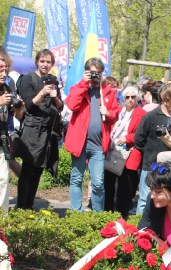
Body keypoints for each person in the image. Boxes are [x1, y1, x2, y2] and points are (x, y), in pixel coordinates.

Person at [64, 57, 119, 212]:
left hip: (98, 145)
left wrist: (108, 113)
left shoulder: (108, 92)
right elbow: (72, 105)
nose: (96, 76)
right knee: (76, 179)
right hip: (80, 144)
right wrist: (83, 84)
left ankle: (98, 214)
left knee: (98, 182)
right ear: (87, 72)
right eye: (93, 73)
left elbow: (115, 115)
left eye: (99, 73)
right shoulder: (78, 88)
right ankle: (76, 213)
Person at [17, 49, 63, 210]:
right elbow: (29, 105)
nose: (45, 64)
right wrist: (43, 92)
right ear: (37, 62)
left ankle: (29, 206)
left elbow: (60, 106)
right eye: (42, 61)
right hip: (32, 130)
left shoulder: (54, 81)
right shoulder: (28, 79)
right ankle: (21, 207)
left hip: (47, 132)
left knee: (38, 170)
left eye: (48, 62)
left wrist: (55, 96)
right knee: (28, 169)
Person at [104, 85, 146, 219]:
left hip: (130, 152)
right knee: (109, 183)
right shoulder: (119, 111)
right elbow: (109, 117)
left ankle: (123, 214)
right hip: (114, 151)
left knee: (126, 186)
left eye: (133, 97)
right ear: (123, 98)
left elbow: (142, 134)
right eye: (127, 97)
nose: (130, 100)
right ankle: (108, 212)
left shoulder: (142, 114)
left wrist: (127, 138)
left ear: (137, 98)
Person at [0, 55, 24, 212]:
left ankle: (1, 223)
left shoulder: (6, 88)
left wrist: (18, 109)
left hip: (1, 138)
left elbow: (18, 116)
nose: (4, 73)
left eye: (5, 69)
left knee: (2, 179)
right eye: (0, 70)